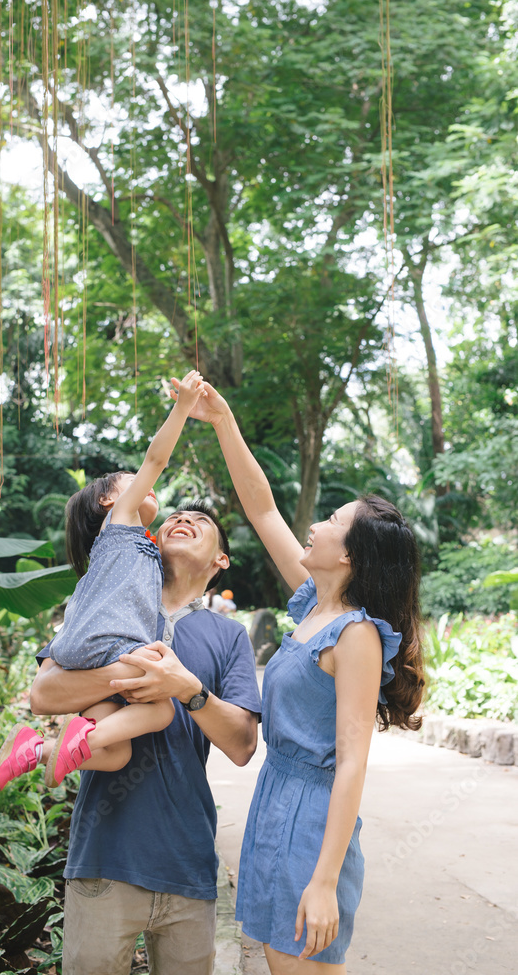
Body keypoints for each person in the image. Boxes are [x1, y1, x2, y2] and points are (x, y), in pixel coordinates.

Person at [180, 378, 425, 975]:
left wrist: (323, 881)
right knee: (277, 959)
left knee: (299, 965)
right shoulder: (315, 605)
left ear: (351, 555)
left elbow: (351, 762)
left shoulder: (357, 635)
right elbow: (261, 507)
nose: (314, 525)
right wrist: (223, 422)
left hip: (313, 819)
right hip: (274, 800)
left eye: (332, 520)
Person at [30, 499, 262, 975]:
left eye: (201, 522)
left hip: (188, 861)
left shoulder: (229, 636)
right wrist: (123, 675)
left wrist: (189, 692)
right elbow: (44, 693)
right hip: (104, 855)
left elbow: (241, 745)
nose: (184, 520)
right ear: (152, 540)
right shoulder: (110, 603)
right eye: (176, 516)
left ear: (221, 561)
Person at [0, 370, 206, 794]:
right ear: (110, 500)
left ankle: (36, 749)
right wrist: (182, 409)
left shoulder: (143, 550)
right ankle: (67, 738)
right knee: (160, 710)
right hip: (106, 642)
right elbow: (155, 460)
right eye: (132, 482)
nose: (151, 487)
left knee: (116, 753)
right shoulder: (120, 525)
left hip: (92, 650)